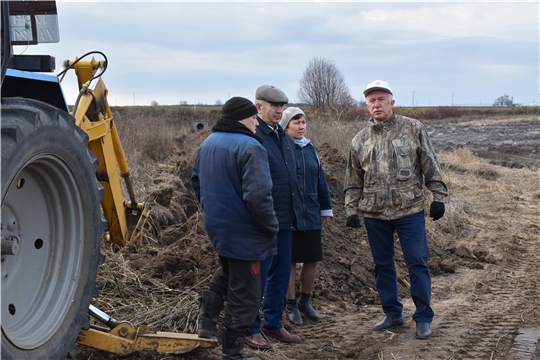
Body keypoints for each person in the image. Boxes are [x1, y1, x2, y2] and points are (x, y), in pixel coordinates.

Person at [343, 80, 448, 340]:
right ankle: (392, 313)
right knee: (382, 266)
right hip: (375, 214)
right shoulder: (360, 140)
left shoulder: (413, 128)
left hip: (409, 210)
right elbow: (353, 179)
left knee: (417, 263)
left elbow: (430, 164)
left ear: (392, 102)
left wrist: (439, 197)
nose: (376, 104)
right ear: (367, 106)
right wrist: (350, 210)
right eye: (371, 101)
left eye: (381, 99)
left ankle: (423, 317)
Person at [192, 96, 279, 360]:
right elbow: (258, 197)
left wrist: (213, 211)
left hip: (219, 228)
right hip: (246, 233)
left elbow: (196, 183)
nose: (256, 123)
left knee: (228, 273)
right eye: (254, 118)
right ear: (243, 118)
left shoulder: (207, 143)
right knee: (246, 294)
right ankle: (233, 354)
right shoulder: (251, 147)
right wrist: (271, 225)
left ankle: (206, 325)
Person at [245, 85, 303, 350]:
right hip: (265, 221)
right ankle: (251, 327)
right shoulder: (253, 135)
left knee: (281, 275)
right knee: (258, 277)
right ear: (259, 107)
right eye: (273, 106)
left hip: (286, 219)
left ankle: (272, 322)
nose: (279, 111)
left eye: (281, 107)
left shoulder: (282, 135)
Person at [279, 107, 333, 326]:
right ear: (286, 126)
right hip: (288, 212)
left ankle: (305, 300)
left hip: (310, 211)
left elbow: (321, 179)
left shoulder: (311, 149)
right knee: (290, 260)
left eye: (303, 122)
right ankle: (290, 304)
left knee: (311, 259)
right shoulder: (280, 147)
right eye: (296, 123)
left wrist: (325, 208)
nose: (301, 127)